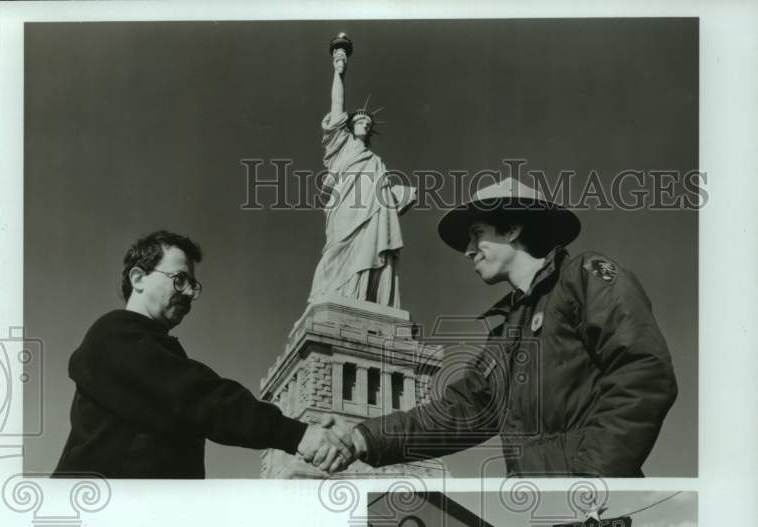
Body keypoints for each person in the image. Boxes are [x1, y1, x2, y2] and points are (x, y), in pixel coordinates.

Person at [314, 177, 678, 477]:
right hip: (542, 501)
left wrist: (593, 478)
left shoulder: (585, 277)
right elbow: (461, 412)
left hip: (589, 497)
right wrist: (362, 437)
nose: (469, 250)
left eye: (477, 234)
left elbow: (642, 371)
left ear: (513, 228)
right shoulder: (505, 335)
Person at [53, 230, 349, 478]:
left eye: (193, 285)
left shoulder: (148, 346)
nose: (187, 293)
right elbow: (200, 397)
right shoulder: (113, 334)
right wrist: (297, 435)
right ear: (138, 278)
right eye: (179, 279)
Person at [306, 39, 411, 308]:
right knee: (337, 249)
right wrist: (339, 70)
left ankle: (364, 299)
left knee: (372, 249)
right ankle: (331, 296)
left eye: (367, 122)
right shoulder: (340, 146)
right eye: (359, 120)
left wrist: (400, 194)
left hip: (372, 212)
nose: (363, 123)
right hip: (344, 208)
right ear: (350, 126)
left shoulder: (375, 160)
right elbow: (337, 105)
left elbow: (384, 194)